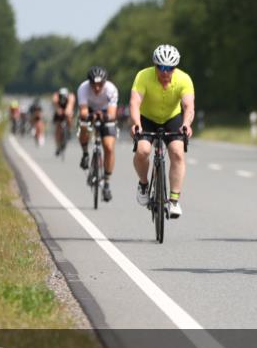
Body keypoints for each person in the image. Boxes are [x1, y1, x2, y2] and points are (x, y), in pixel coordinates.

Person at [129, 44, 195, 218]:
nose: (165, 72)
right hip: (147, 118)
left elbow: (188, 106)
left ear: (175, 68)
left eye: (170, 68)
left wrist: (186, 124)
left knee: (177, 152)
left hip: (172, 118)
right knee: (143, 150)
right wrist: (136, 123)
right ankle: (143, 184)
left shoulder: (184, 79)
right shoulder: (143, 76)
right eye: (161, 67)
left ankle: (173, 201)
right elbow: (135, 102)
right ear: (155, 65)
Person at [77, 66, 120, 202]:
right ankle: (85, 153)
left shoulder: (111, 89)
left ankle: (106, 183)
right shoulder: (83, 88)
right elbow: (83, 112)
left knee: (108, 147)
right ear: (89, 83)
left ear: (105, 83)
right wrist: (91, 116)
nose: (96, 88)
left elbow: (112, 114)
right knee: (83, 126)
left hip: (106, 113)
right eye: (93, 85)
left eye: (100, 85)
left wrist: (103, 116)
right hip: (89, 111)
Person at [52, 86, 76, 156]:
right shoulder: (56, 96)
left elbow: (70, 105)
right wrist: (58, 110)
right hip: (59, 110)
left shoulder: (71, 96)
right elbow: (55, 105)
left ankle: (69, 130)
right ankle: (58, 146)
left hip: (67, 109)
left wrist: (67, 111)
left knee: (69, 116)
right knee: (58, 127)